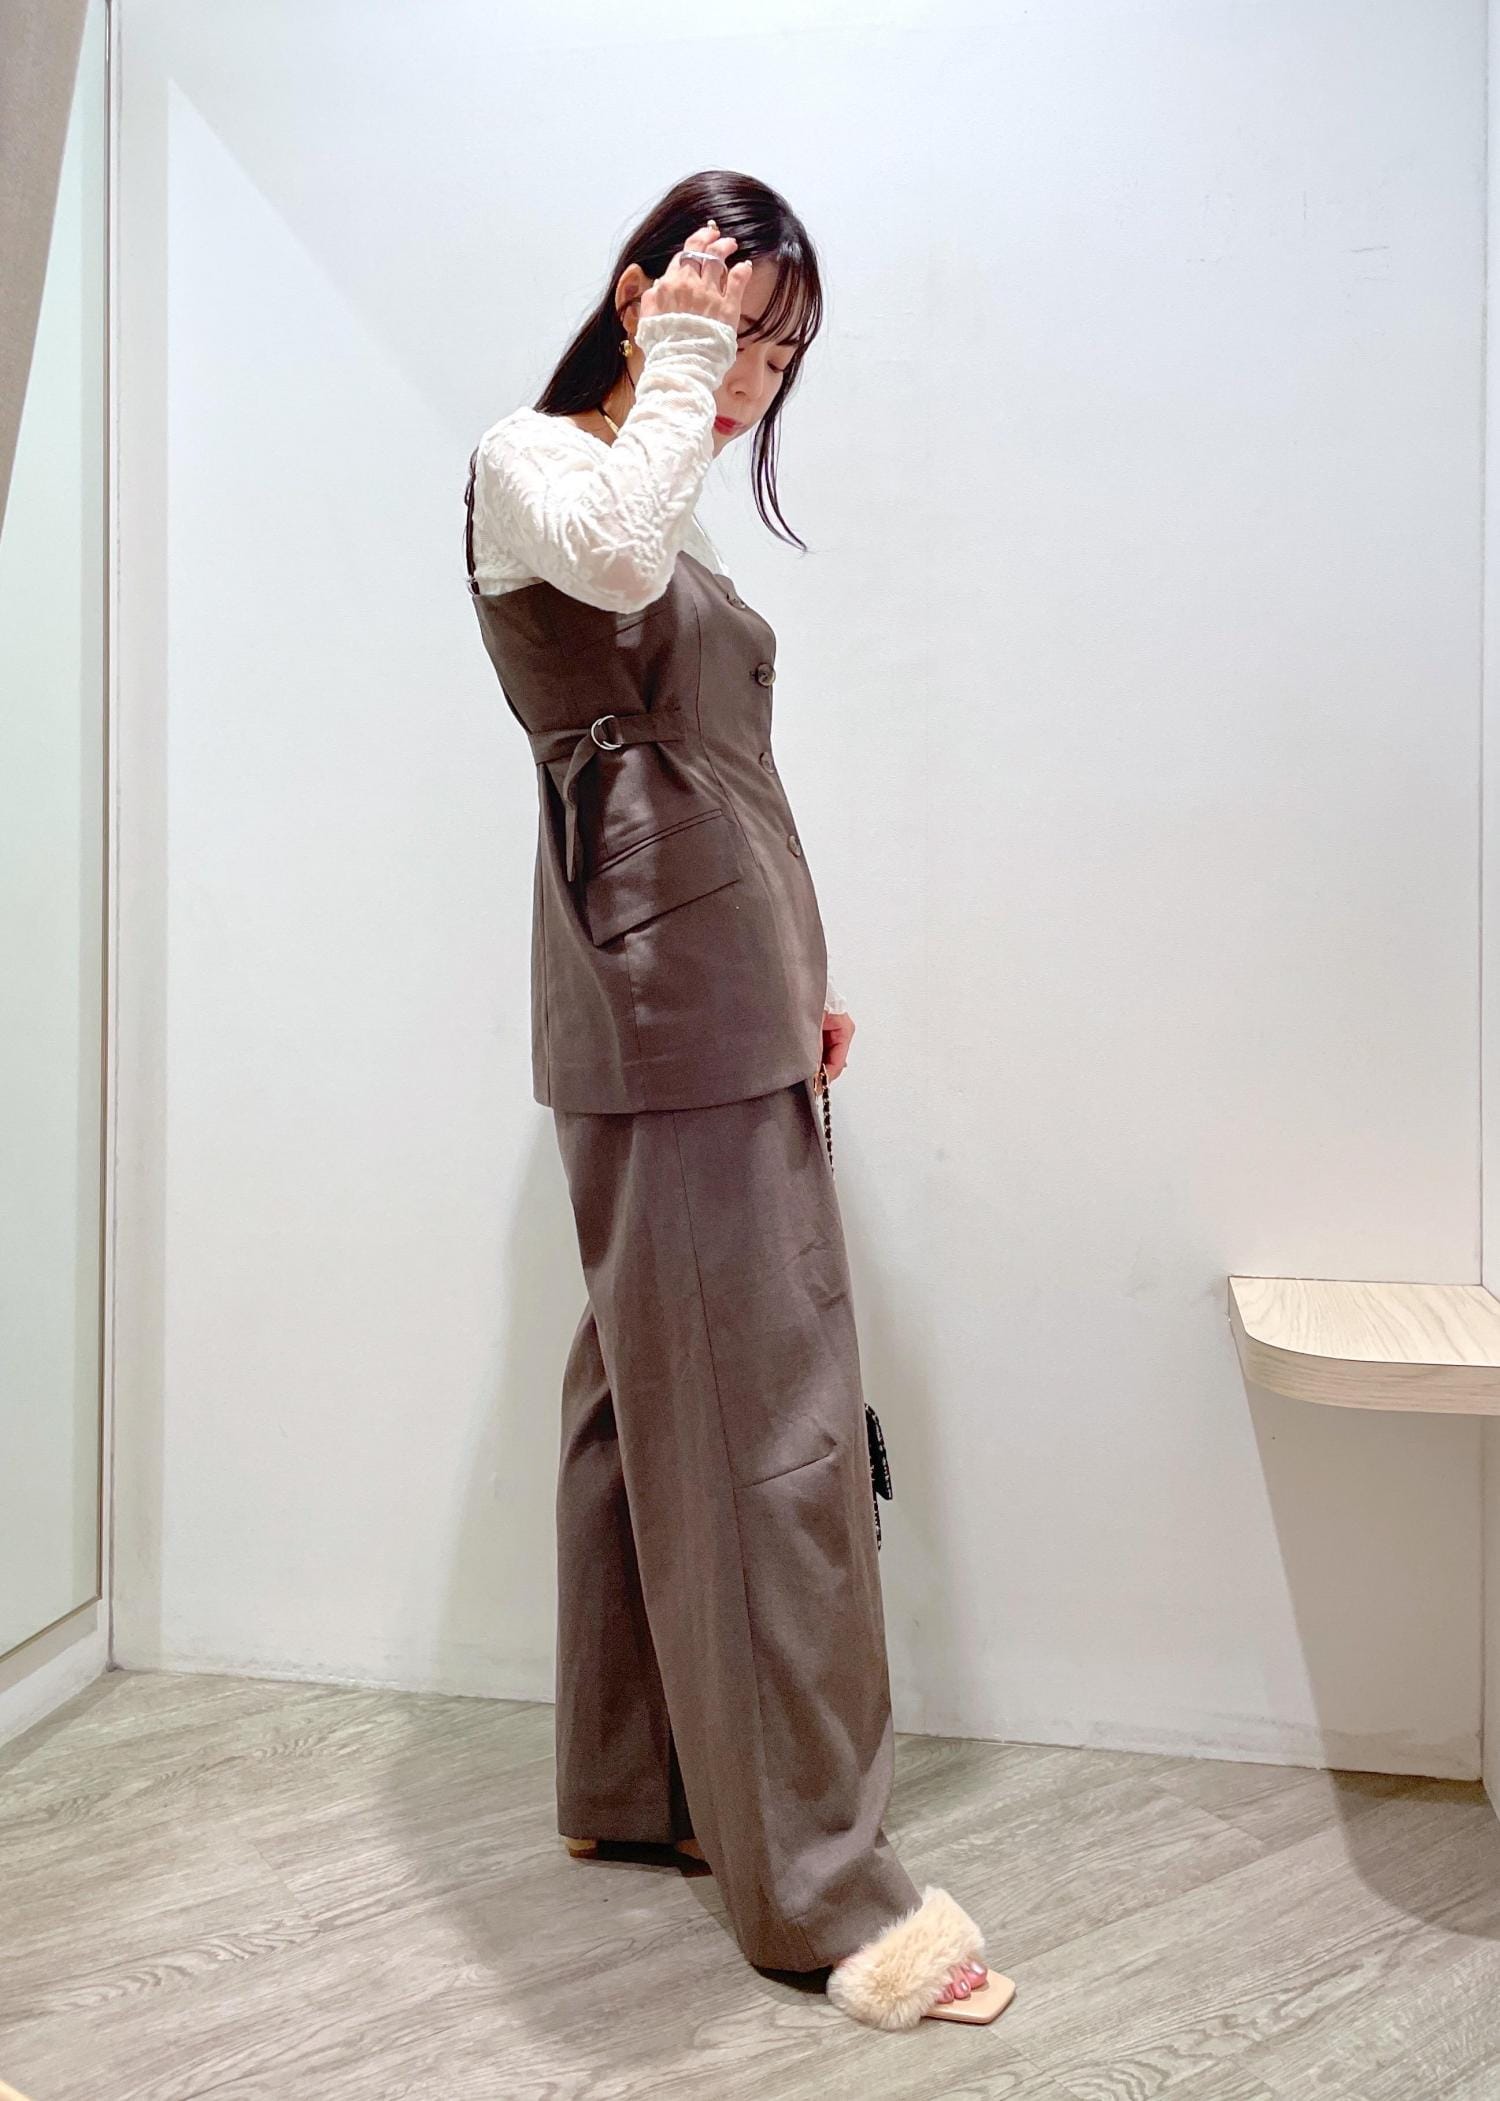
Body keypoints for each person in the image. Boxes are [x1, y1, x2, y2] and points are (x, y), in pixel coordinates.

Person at [463, 171, 1011, 2032]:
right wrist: (685, 363)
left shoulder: (655, 496)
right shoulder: (538, 464)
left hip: (709, 995)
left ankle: (642, 1785)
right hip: (663, 1001)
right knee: (763, 1425)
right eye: (731, 323)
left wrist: (795, 976)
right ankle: (829, 1895)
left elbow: (715, 776)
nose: (756, 372)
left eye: (782, 350)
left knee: (644, 1391)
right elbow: (618, 564)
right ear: (637, 297)